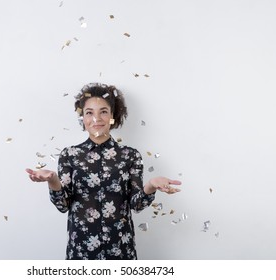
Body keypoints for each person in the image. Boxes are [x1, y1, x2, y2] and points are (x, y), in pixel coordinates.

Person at [26, 83, 181, 260]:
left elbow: (136, 205)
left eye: (103, 112)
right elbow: (63, 205)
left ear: (113, 116)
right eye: (89, 112)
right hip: (81, 251)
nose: (96, 118)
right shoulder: (70, 155)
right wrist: (53, 180)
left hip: (121, 249)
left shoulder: (130, 156)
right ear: (82, 118)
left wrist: (151, 186)